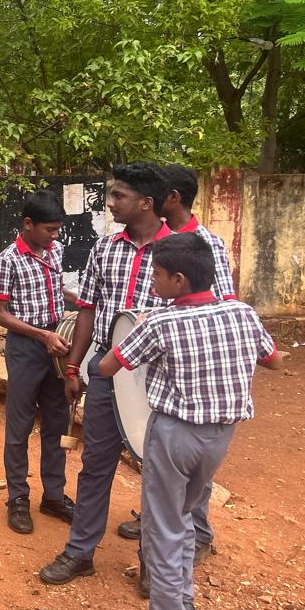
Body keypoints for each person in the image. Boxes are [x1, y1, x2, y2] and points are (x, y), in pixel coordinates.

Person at [97, 234, 280, 610]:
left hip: (174, 434)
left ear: (178, 279)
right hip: (219, 438)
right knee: (182, 519)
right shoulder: (241, 312)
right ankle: (183, 608)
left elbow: (107, 368)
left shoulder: (160, 323)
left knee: (161, 529)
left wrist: (138, 329)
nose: (153, 281)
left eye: (157, 275)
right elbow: (272, 360)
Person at [38, 162, 172, 586]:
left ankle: (155, 563)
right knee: (96, 465)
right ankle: (80, 552)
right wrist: (73, 367)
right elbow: (88, 312)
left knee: (160, 472)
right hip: (107, 376)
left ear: (146, 203)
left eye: (119, 196)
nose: (110, 203)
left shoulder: (185, 250)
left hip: (160, 383)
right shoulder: (106, 248)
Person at [116, 164, 238, 558]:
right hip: (152, 357)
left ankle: (196, 534)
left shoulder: (206, 243)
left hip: (191, 366)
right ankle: (162, 519)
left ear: (171, 198)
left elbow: (225, 303)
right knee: (156, 449)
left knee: (188, 455)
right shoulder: (152, 240)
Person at [0, 192, 75, 533]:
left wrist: (81, 301)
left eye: (58, 230)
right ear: (28, 224)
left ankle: (53, 495)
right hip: (27, 349)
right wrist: (42, 335)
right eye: (50, 229)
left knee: (57, 421)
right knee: (20, 426)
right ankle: (18, 498)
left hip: (57, 346)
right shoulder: (7, 260)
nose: (55, 236)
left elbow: (56, 291)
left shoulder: (55, 251)